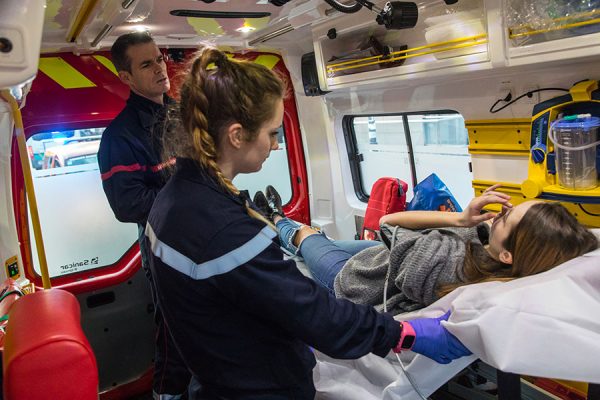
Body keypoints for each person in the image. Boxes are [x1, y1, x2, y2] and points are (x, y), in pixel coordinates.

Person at [144, 46, 471, 399]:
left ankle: (283, 225)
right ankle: (285, 227)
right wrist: (406, 334)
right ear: (237, 135)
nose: (274, 143)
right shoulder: (223, 230)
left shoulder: (174, 198)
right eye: (272, 132)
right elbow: (315, 314)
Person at [261, 184, 599, 315]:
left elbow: (389, 221)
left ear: (509, 255)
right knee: (327, 242)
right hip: (378, 258)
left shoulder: (448, 265)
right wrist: (472, 225)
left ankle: (274, 217)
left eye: (506, 220)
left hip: (356, 279)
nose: (498, 215)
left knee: (309, 238)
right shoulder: (494, 256)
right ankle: (277, 221)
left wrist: (461, 218)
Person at [97, 32, 191, 399]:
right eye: (146, 63)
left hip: (204, 235)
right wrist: (192, 199)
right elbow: (128, 204)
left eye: (160, 58)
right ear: (126, 77)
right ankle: (165, 394)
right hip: (164, 243)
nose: (160, 69)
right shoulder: (119, 137)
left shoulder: (184, 114)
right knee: (175, 330)